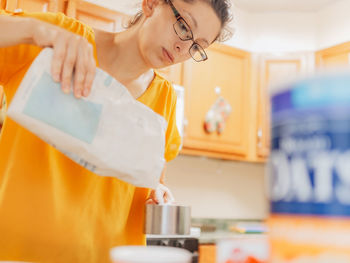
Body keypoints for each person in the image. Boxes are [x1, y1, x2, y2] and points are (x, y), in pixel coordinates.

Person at [0, 0, 232, 262]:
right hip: (19, 253)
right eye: (183, 26)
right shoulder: (60, 40)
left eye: (197, 46)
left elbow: (148, 184)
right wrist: (35, 29)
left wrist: (157, 194)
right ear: (152, 4)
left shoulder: (165, 99)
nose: (183, 48)